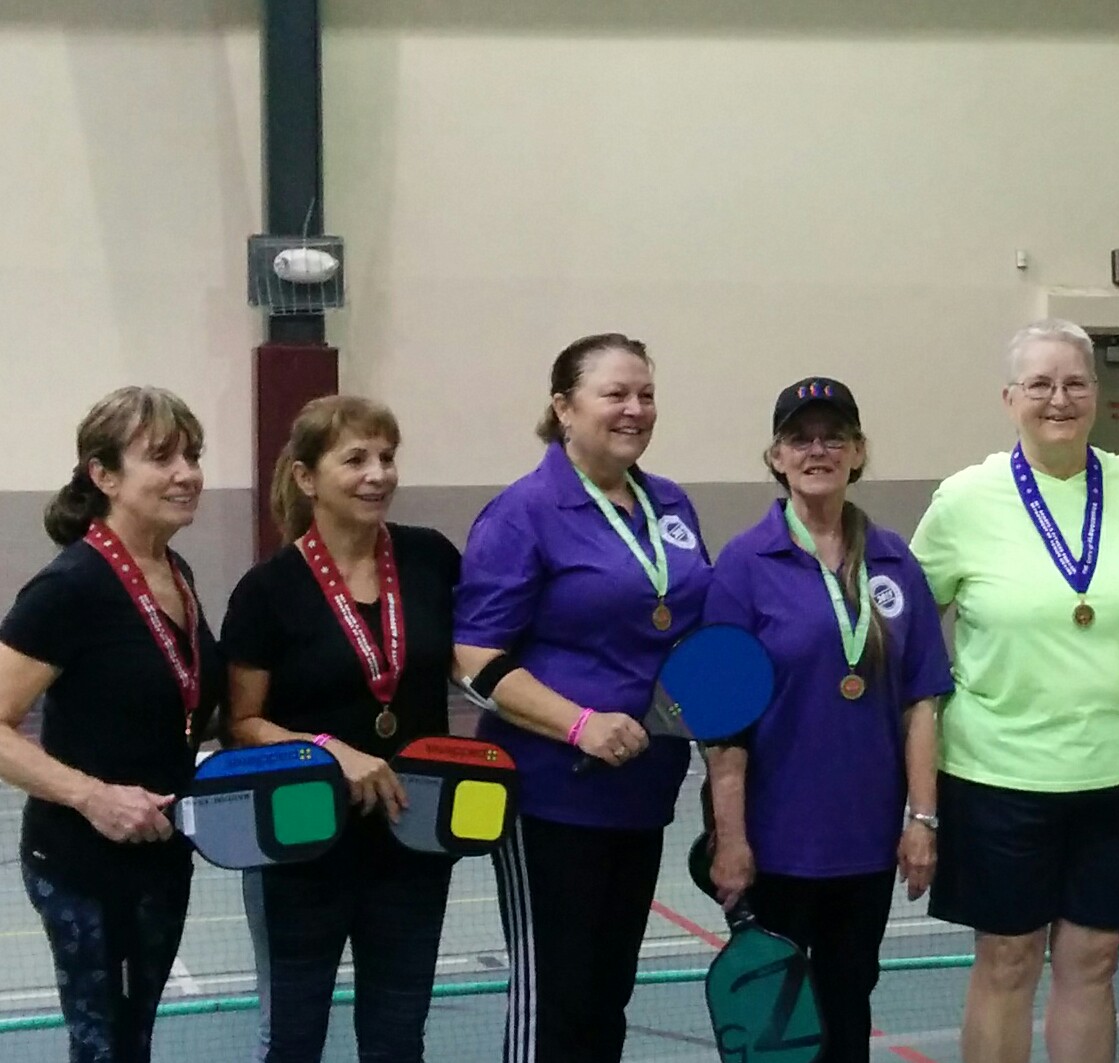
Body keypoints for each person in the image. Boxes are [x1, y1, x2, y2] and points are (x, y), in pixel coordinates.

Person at [909, 319, 1119, 1063]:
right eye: (1040, 384)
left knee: (1095, 960)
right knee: (1007, 960)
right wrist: (918, 801)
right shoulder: (964, 499)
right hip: (999, 775)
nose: (1059, 399)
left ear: (1096, 393)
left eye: (1075, 383)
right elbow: (911, 637)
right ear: (1008, 398)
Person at [453, 333, 713, 1063]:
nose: (635, 409)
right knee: (556, 1002)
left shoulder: (670, 503)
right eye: (615, 394)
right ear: (564, 408)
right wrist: (579, 725)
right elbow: (473, 657)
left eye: (646, 394)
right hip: (550, 800)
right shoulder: (523, 511)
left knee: (607, 997)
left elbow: (691, 631)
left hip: (644, 792)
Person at [703, 377, 952, 1063]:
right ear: (776, 456)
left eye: (833, 437)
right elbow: (722, 728)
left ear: (858, 451)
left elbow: (921, 702)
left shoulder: (895, 562)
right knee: (778, 1033)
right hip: (775, 842)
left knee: (848, 1008)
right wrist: (731, 839)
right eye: (800, 439)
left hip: (866, 841)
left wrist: (922, 821)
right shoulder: (743, 564)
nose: (818, 450)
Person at [222, 395, 461, 1062]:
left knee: (397, 1039)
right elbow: (241, 723)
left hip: (413, 832)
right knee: (292, 1039)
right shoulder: (267, 590)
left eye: (386, 457)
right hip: (301, 838)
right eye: (355, 459)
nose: (377, 473)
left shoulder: (430, 558)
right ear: (306, 477)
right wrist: (328, 750)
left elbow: (477, 656)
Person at [0, 386, 221, 1063]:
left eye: (192, 455)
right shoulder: (69, 587)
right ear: (104, 475)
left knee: (135, 1039)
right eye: (162, 457)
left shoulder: (174, 570)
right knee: (106, 1048)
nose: (186, 473)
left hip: (163, 855)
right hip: (85, 866)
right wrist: (94, 797)